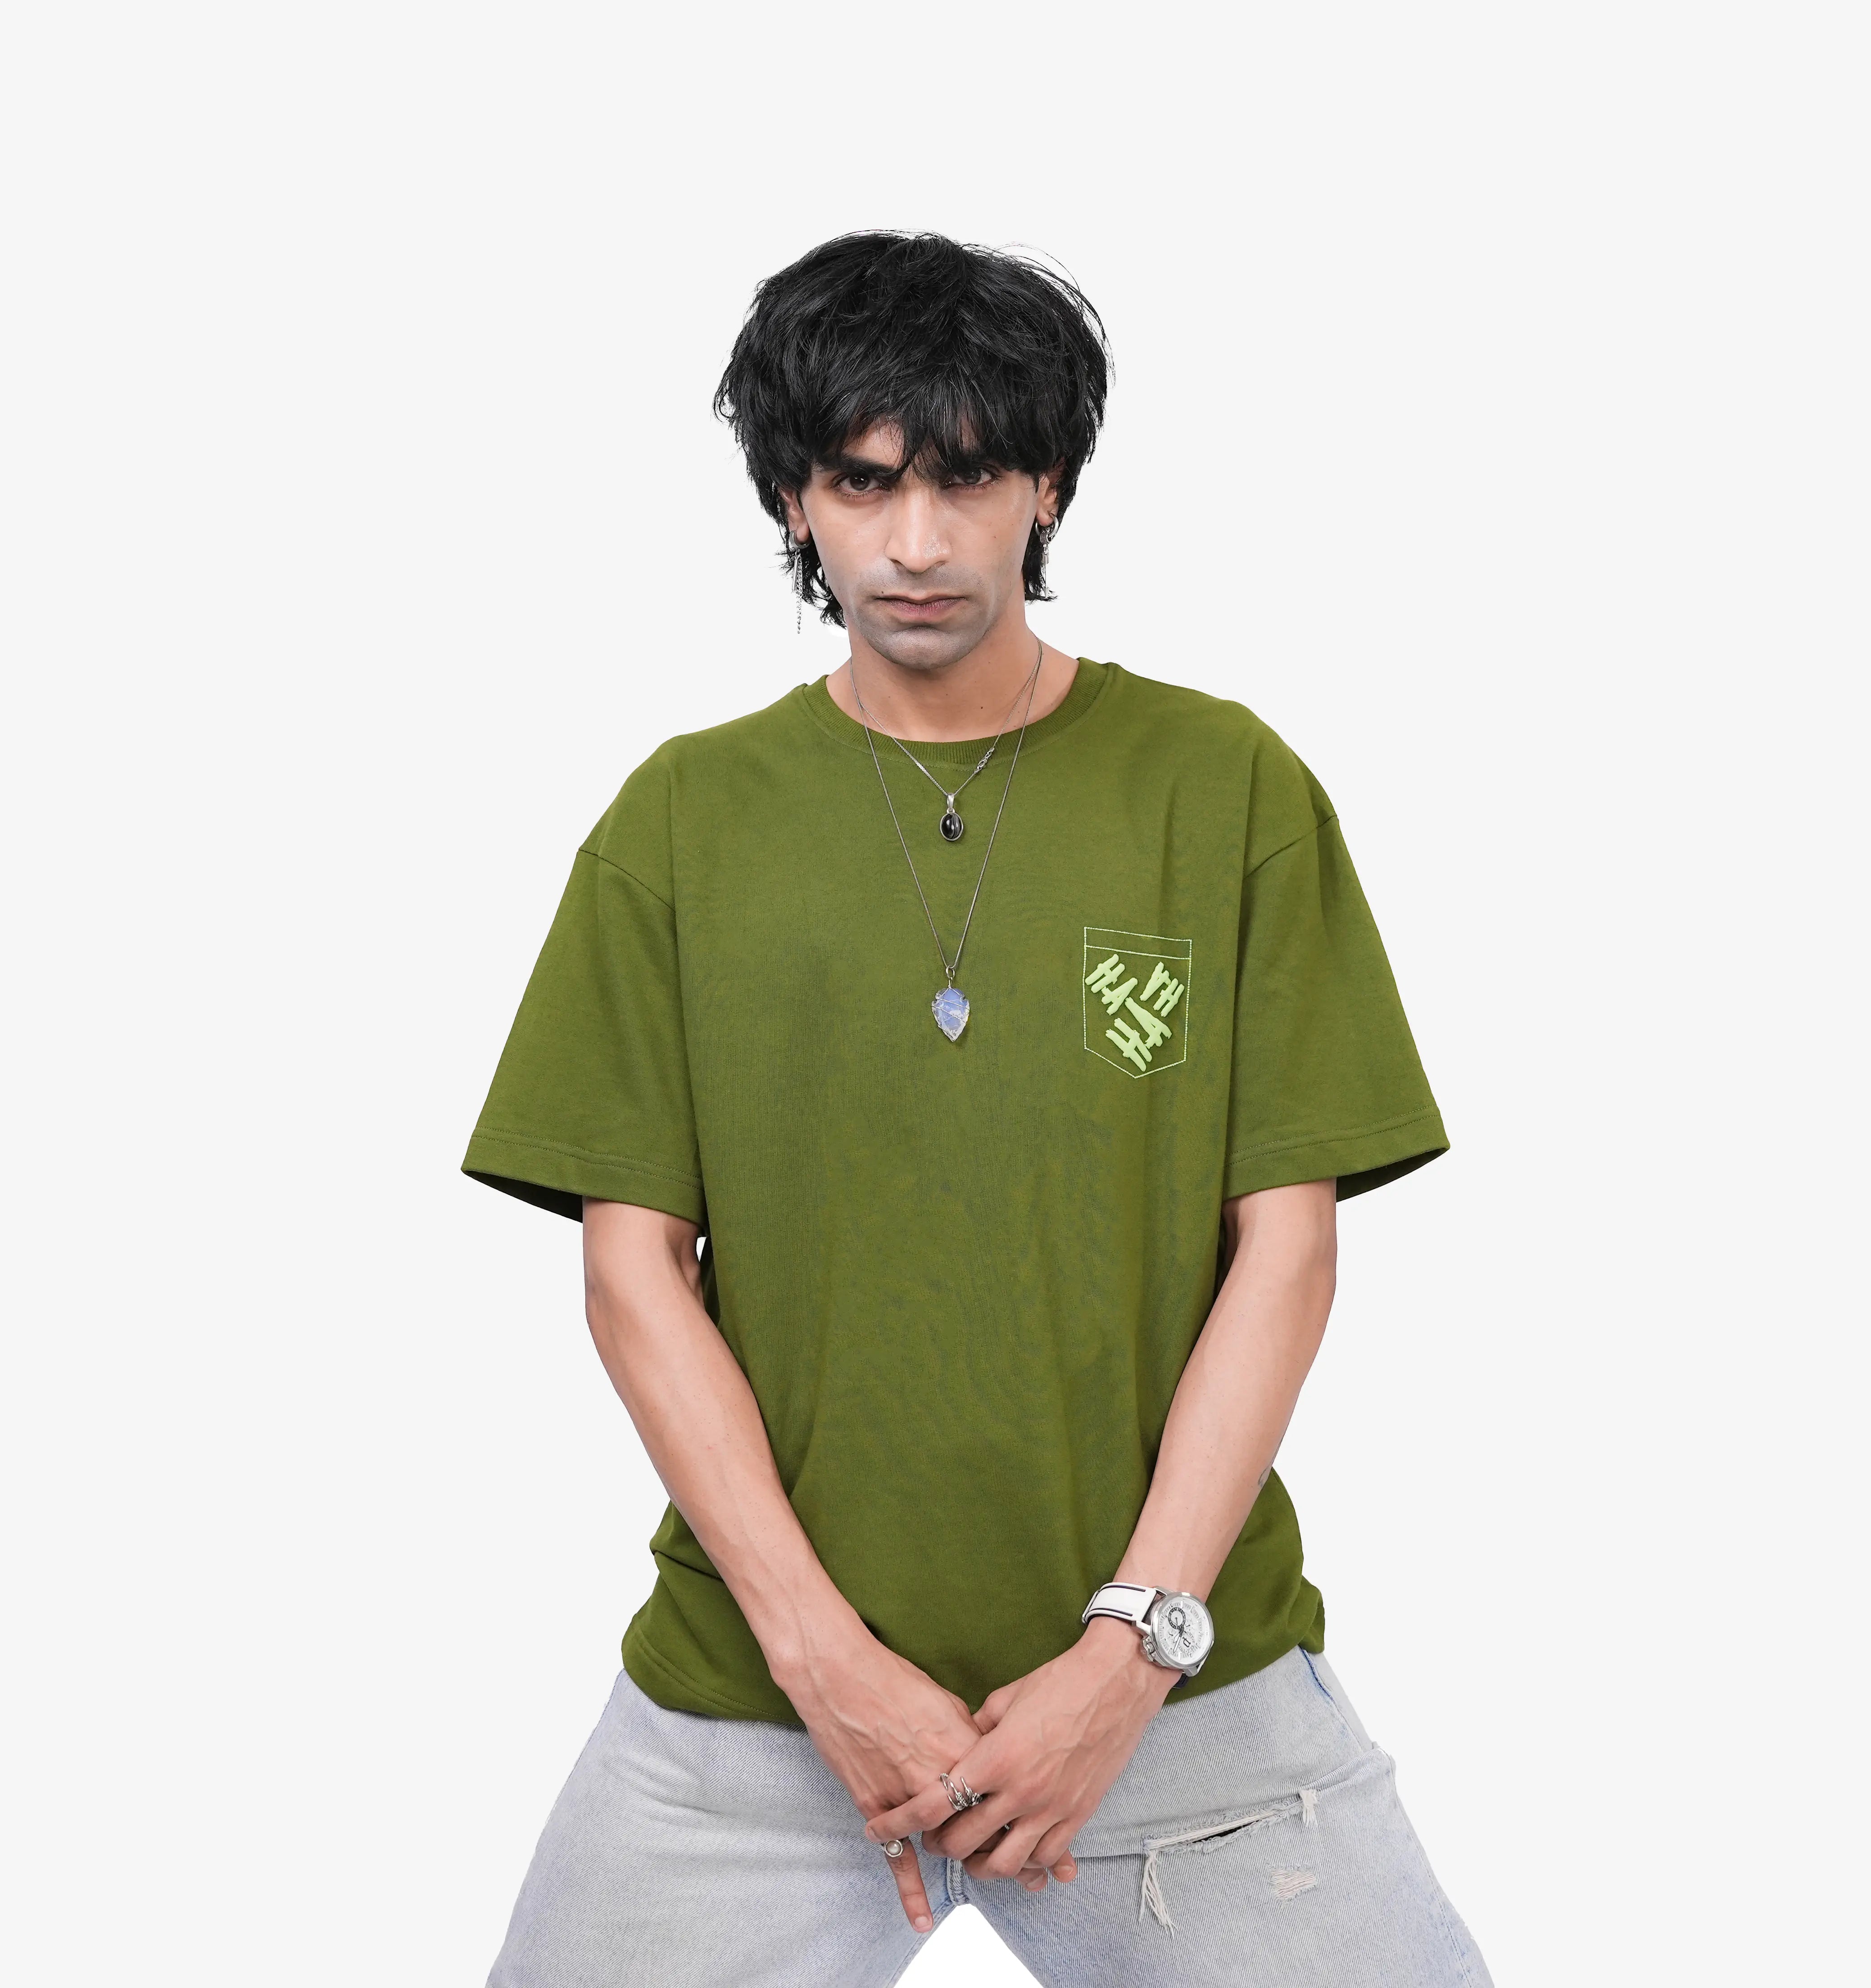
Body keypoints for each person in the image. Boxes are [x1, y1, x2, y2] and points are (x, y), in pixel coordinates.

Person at [465, 230, 1492, 1986]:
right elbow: (634, 1273)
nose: (918, 544)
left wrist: (1131, 1652)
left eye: (966, 480)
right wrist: (826, 1665)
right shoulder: (683, 822)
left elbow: (1288, 1253)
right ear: (793, 500)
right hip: (759, 1723)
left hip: (1183, 1710)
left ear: (1050, 488)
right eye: (864, 484)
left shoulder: (1224, 787)